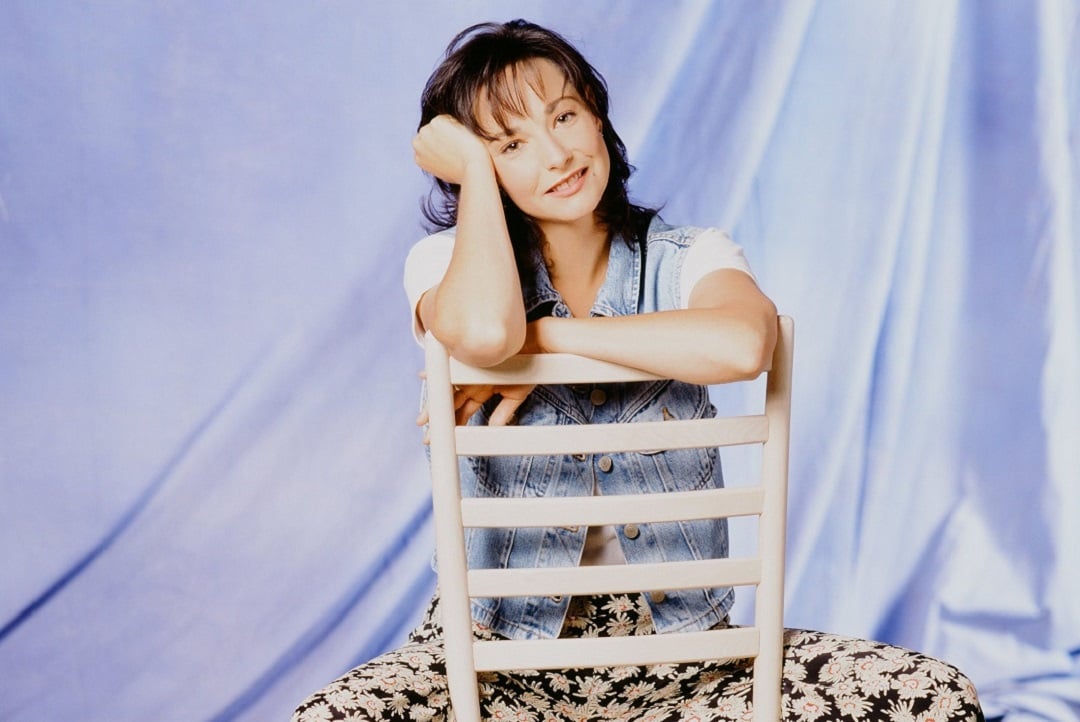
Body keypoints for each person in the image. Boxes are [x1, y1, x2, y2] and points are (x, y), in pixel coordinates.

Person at [294, 19, 984, 722]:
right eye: (510, 145)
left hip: (692, 672)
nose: (557, 154)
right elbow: (483, 331)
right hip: (494, 664)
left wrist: (547, 340)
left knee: (936, 695)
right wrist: (472, 172)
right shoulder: (444, 264)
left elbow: (744, 345)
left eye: (565, 115)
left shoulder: (692, 257)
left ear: (596, 114)